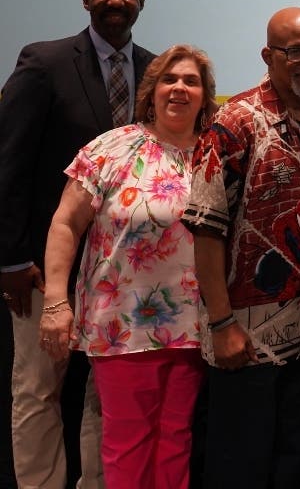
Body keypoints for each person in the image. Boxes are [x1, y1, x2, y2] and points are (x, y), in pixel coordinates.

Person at [0, 0, 154, 489]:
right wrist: (12, 258)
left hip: (124, 269)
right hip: (46, 268)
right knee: (40, 388)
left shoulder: (157, 73)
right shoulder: (44, 63)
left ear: (141, 1)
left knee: (103, 393)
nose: (116, 0)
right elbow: (9, 162)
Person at [39, 45, 217, 489]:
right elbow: (65, 224)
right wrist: (55, 302)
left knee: (177, 439)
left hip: (194, 326)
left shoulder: (216, 154)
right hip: (121, 325)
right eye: (169, 79)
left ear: (205, 95)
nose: (179, 88)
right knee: (127, 442)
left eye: (191, 81)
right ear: (151, 91)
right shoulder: (112, 148)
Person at [182, 8, 300, 488]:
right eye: (296, 51)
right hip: (247, 334)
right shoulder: (233, 123)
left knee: (294, 460)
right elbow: (207, 231)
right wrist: (222, 323)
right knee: (241, 464)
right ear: (268, 55)